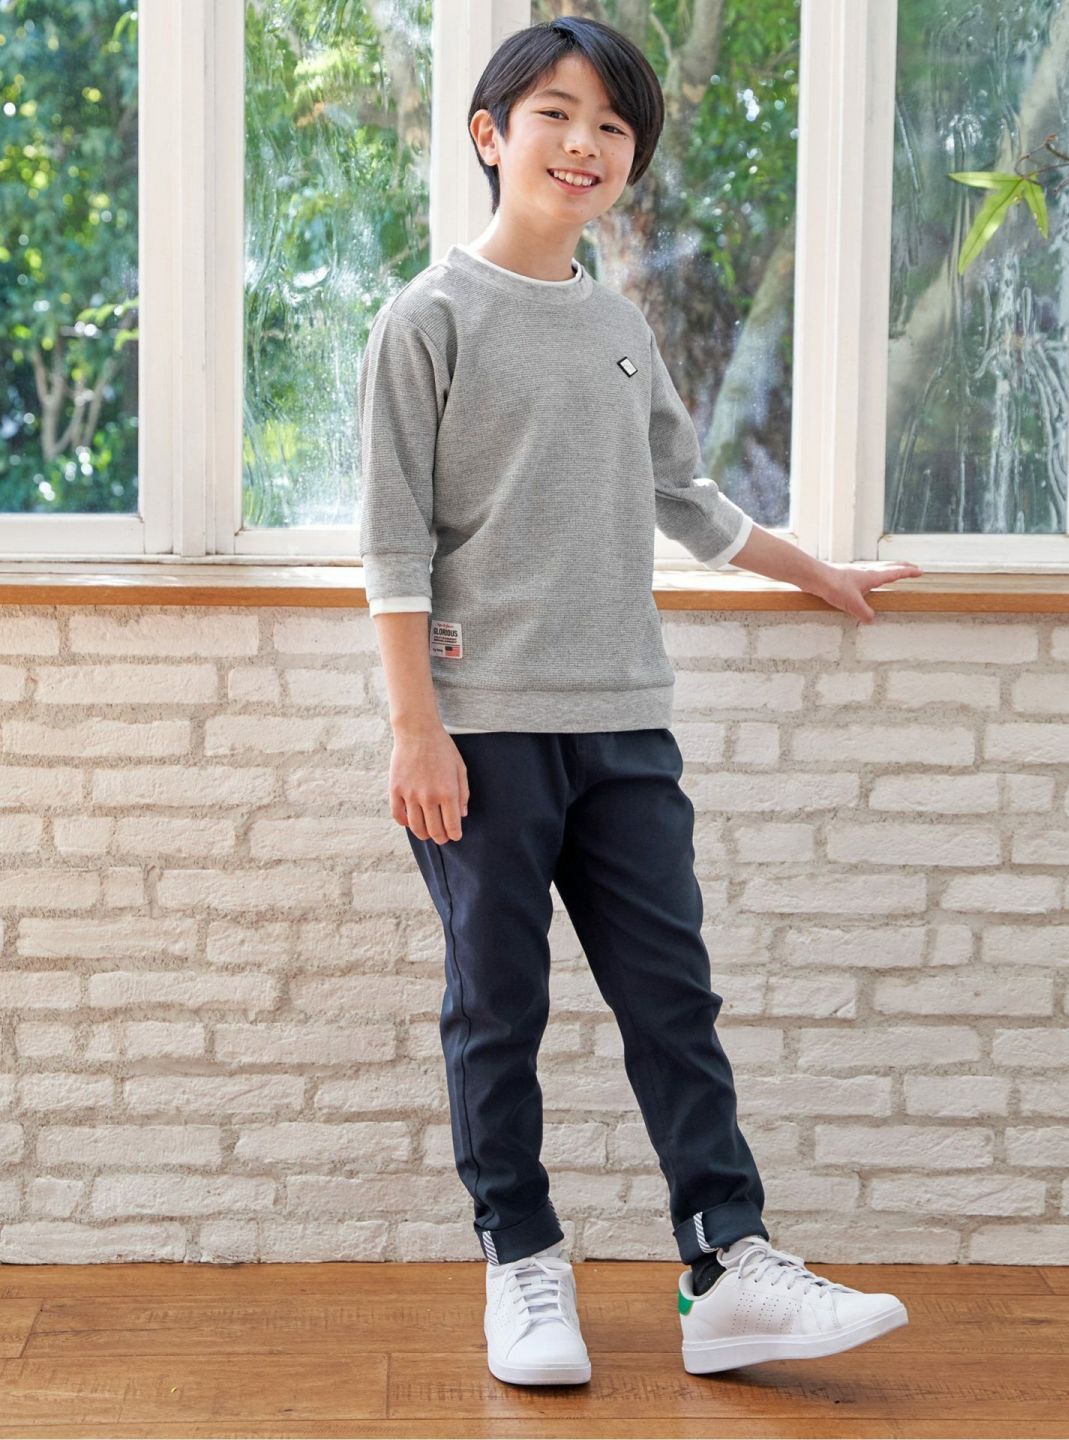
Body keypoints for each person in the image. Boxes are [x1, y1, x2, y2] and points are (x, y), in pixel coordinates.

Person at [357, 15, 922, 1388]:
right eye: (556, 114)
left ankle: (727, 1266)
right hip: (480, 730)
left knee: (675, 1001)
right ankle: (521, 1261)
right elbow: (391, 543)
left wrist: (817, 569)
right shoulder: (427, 318)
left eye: (613, 126)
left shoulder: (616, 326)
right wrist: (416, 730)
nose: (586, 143)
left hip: (625, 722)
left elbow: (686, 495)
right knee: (499, 1008)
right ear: (491, 135)